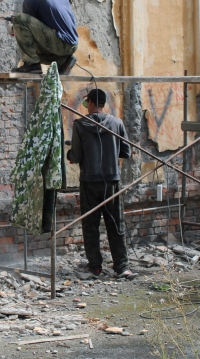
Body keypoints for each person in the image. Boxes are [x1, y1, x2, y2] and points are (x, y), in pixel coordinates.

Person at [67, 89, 133, 278]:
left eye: (86, 102)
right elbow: (126, 153)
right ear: (104, 103)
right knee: (116, 225)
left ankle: (95, 266)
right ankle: (122, 267)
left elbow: (77, 156)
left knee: (90, 226)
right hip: (112, 182)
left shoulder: (80, 124)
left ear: (90, 103)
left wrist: (69, 154)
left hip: (89, 181)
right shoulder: (117, 123)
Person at [9, 0, 78, 75]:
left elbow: (30, 35)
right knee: (33, 50)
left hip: (59, 43)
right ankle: (63, 61)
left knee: (19, 19)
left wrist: (15, 28)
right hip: (72, 44)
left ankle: (32, 65)